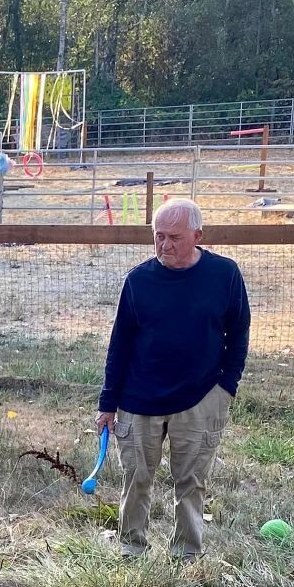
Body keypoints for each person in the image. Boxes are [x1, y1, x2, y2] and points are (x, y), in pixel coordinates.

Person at [95, 198, 250, 559]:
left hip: (201, 397)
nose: (164, 245)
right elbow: (119, 344)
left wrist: (226, 387)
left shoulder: (224, 274)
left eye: (174, 237)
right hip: (138, 398)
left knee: (191, 482)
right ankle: (131, 549)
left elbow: (239, 332)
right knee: (136, 479)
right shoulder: (138, 281)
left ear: (197, 235)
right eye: (158, 236)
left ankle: (186, 554)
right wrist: (108, 403)